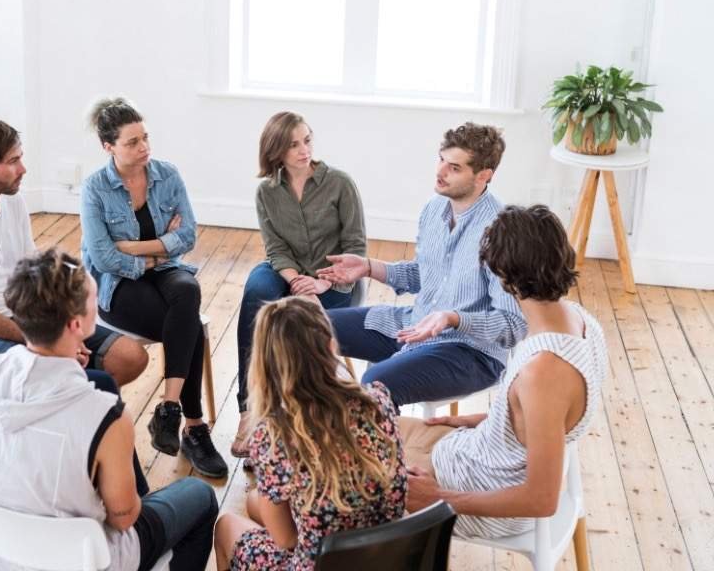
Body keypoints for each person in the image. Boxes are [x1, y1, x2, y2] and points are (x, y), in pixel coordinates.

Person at [0, 249, 219, 571]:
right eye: (93, 301)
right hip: (83, 559)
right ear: (77, 324)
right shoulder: (104, 414)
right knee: (199, 495)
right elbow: (123, 518)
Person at [400, 205, 607, 541]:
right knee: (361, 430)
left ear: (502, 276)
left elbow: (541, 499)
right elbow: (547, 420)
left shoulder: (544, 371)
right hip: (474, 455)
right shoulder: (580, 320)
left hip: (479, 498)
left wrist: (438, 498)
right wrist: (485, 418)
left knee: (341, 464)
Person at [0, 119, 147, 391]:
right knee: (56, 380)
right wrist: (52, 343)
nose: (23, 169)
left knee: (130, 357)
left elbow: (32, 275)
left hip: (25, 318)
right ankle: (66, 413)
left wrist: (62, 328)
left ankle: (72, 417)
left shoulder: (13, 200)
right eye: (13, 161)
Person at [318, 122, 527, 407]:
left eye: (454, 168)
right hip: (413, 325)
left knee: (375, 383)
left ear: (483, 176)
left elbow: (513, 325)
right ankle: (306, 431)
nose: (440, 172)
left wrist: (454, 318)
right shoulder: (434, 208)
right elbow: (424, 274)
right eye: (441, 159)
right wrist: (368, 266)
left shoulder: (502, 230)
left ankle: (359, 444)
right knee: (302, 328)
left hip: (470, 352)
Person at [80, 98, 228, 479]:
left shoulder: (167, 174)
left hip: (166, 273)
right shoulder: (95, 189)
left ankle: (168, 408)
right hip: (118, 286)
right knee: (187, 325)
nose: (144, 147)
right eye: (132, 142)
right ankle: (193, 427)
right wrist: (156, 251)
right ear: (108, 146)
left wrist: (136, 248)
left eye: (145, 138)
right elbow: (104, 257)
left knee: (187, 291)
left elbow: (189, 234)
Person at [214, 297, 407, 571]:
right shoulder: (379, 400)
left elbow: (286, 539)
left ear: (265, 364)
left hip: (322, 564)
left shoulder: (272, 438)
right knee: (255, 500)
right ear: (331, 346)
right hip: (386, 556)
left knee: (227, 527)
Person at [232, 111, 367, 458]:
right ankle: (250, 410)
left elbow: (355, 246)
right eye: (293, 144)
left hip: (336, 281)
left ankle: (300, 422)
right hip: (286, 271)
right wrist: (294, 280)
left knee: (302, 325)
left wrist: (322, 284)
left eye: (306, 140)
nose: (303, 150)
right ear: (276, 150)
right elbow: (275, 247)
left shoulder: (340, 184)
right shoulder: (267, 192)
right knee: (257, 294)